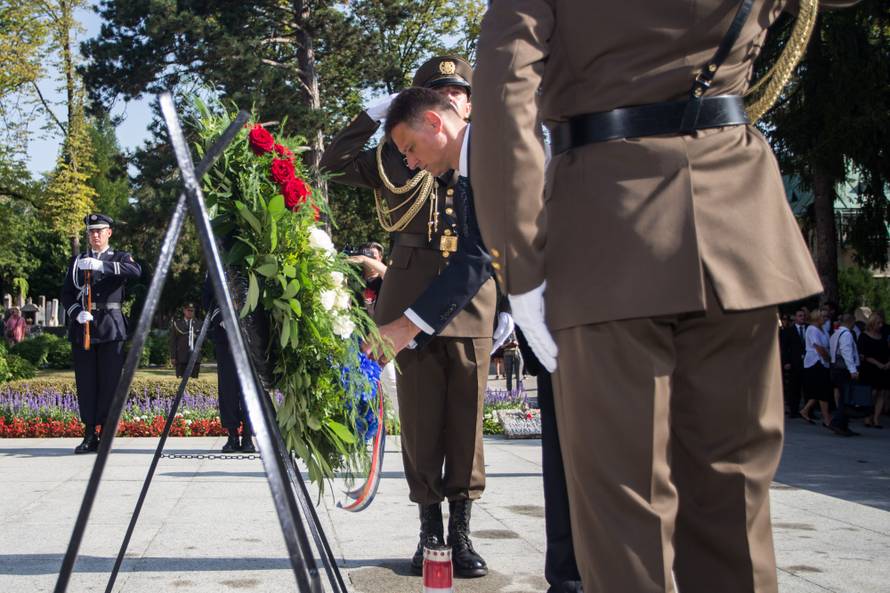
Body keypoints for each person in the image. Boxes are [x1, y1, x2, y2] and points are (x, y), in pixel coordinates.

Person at [470, 1, 857, 591]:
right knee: (735, 498)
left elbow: (503, 92)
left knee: (625, 507)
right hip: (738, 228)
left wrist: (520, 263)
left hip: (607, 229)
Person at [322, 56, 510, 578]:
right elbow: (333, 163)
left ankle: (463, 533)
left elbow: (499, 238)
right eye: (438, 92)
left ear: (467, 103)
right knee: (422, 418)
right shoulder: (396, 152)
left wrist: (509, 305)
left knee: (467, 420)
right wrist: (372, 114)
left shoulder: (487, 148)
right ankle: (430, 534)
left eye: (458, 92)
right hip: (407, 288)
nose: (450, 100)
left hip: (472, 295)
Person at [61, 214, 141, 454]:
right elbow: (66, 294)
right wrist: (76, 313)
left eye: (99, 231)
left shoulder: (119, 257)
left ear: (109, 233)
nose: (95, 235)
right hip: (84, 328)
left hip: (111, 327)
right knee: (86, 383)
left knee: (109, 383)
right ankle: (89, 434)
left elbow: (136, 271)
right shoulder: (78, 261)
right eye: (91, 232)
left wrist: (101, 266)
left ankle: (105, 433)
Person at [203, 277, 256, 453]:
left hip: (249, 337)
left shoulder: (249, 261)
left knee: (249, 389)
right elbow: (208, 300)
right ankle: (232, 435)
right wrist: (223, 320)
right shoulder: (215, 266)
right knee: (227, 389)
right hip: (224, 336)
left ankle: (248, 436)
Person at [828, 312, 860, 436]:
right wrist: (852, 369)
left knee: (843, 397)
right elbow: (846, 352)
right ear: (851, 322)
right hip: (843, 370)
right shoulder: (846, 334)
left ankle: (843, 425)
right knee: (845, 398)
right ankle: (837, 422)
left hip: (835, 368)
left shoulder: (835, 334)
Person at [800, 309, 832, 426]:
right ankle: (826, 417)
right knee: (822, 390)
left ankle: (805, 410)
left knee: (820, 390)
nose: (825, 318)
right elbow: (818, 347)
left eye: (826, 316)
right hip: (816, 361)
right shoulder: (812, 329)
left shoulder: (823, 329)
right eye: (823, 316)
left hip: (823, 362)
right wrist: (827, 357)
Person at [857, 312, 888, 429]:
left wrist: (887, 364)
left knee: (882, 392)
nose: (880, 325)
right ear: (872, 323)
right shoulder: (864, 336)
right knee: (871, 393)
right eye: (878, 323)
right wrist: (877, 363)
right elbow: (863, 354)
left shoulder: (883, 336)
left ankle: (876, 418)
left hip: (883, 367)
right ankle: (867, 416)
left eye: (881, 323)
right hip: (870, 368)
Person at [780, 308, 809, 417]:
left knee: (807, 387)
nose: (802, 318)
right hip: (794, 362)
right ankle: (794, 410)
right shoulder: (788, 331)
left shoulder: (809, 329)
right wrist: (786, 362)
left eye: (803, 316)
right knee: (794, 388)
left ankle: (807, 410)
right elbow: (784, 348)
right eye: (800, 316)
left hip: (807, 362)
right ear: (795, 318)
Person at [348, 242, 386, 316]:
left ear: (380, 258)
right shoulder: (354, 278)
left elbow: (385, 271)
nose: (369, 260)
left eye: (373, 257)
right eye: (367, 256)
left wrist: (364, 258)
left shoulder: (384, 279)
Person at [169, 303, 202, 378]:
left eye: (192, 310)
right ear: (184, 311)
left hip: (195, 357)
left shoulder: (199, 323)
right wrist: (173, 356)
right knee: (181, 381)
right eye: (188, 310)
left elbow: (204, 338)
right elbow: (173, 341)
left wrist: (196, 336)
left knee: (194, 382)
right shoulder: (177, 324)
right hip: (181, 357)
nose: (190, 312)